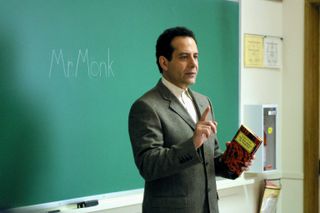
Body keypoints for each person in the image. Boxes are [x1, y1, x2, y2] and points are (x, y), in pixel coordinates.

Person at [128, 26, 252, 213]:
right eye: (184, 57)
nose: (193, 64)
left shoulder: (204, 102)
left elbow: (210, 159)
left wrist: (233, 162)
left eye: (196, 56)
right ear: (164, 62)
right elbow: (148, 165)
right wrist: (193, 143)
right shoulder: (147, 106)